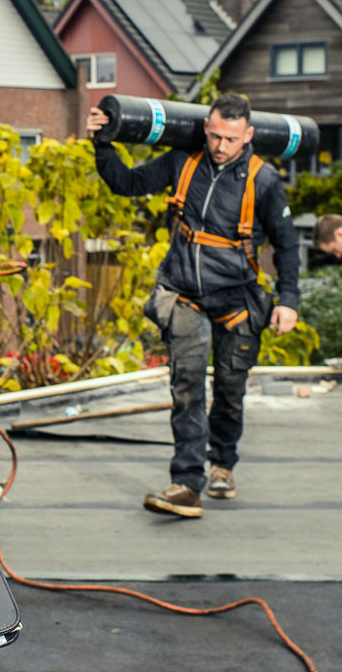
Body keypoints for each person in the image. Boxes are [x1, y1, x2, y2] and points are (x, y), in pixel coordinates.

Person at [87, 94, 300, 518]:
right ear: (206, 128)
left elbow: (288, 244)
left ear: (249, 135)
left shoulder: (264, 179)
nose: (221, 146)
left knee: (229, 389)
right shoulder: (181, 162)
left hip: (237, 298)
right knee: (186, 386)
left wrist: (289, 301)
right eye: (216, 135)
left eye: (232, 138)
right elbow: (126, 184)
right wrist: (103, 143)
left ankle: (222, 462)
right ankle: (186, 482)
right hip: (183, 291)